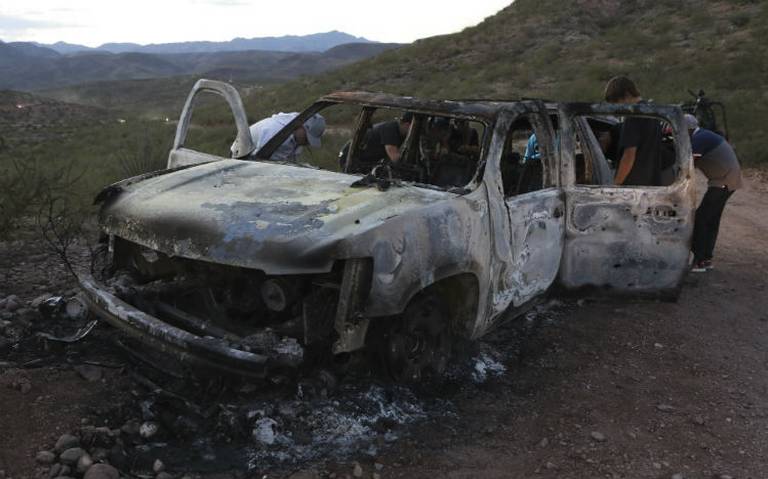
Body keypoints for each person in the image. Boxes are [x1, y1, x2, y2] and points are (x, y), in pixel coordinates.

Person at [685, 114, 743, 272]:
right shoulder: (704, 135)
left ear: (688, 130)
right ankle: (706, 259)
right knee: (711, 220)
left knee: (701, 219)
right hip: (727, 179)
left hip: (723, 181)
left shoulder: (699, 139)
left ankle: (698, 261)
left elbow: (688, 164)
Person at [603, 76, 662, 186]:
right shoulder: (653, 113)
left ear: (627, 95)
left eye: (616, 104)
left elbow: (629, 155)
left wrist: (616, 184)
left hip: (632, 186)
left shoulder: (633, 116)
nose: (617, 110)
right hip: (651, 183)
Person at [231, 112, 325, 162]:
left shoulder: (296, 136)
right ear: (301, 126)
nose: (307, 142)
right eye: (307, 138)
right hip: (241, 159)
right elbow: (260, 161)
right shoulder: (274, 131)